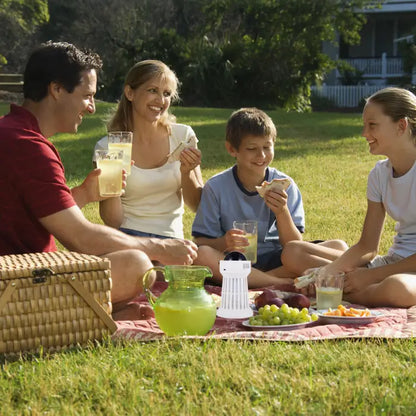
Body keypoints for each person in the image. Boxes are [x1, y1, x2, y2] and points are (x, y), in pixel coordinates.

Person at [0, 41, 198, 310]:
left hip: (21, 273)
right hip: (15, 284)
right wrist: (160, 249)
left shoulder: (12, 132)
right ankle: (86, 313)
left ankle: (102, 311)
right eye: (87, 95)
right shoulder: (29, 146)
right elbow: (81, 238)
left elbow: (27, 215)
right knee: (137, 264)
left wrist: (84, 194)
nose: (91, 107)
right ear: (56, 89)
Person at [288, 87, 416, 307]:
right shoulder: (379, 174)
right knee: (294, 252)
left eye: (372, 125)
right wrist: (328, 271)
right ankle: (341, 288)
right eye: (364, 125)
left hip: (405, 273)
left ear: (401, 126)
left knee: (398, 289)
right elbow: (367, 246)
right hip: (393, 263)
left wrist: (370, 276)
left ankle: (341, 292)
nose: (364, 133)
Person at [191, 107, 347, 288]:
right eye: (252, 148)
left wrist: (282, 212)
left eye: (267, 147)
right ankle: (280, 283)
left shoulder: (285, 185)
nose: (262, 155)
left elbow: (293, 244)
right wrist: (225, 242)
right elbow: (200, 242)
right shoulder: (216, 187)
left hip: (277, 259)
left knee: (339, 247)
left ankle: (253, 280)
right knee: (201, 255)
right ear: (232, 149)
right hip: (234, 260)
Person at [94, 60, 203, 240]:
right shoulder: (110, 146)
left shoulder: (182, 136)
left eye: (167, 94)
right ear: (130, 93)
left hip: (171, 239)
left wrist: (187, 172)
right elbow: (112, 221)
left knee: (163, 266)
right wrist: (112, 185)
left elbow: (197, 205)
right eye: (153, 90)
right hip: (128, 239)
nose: (161, 101)